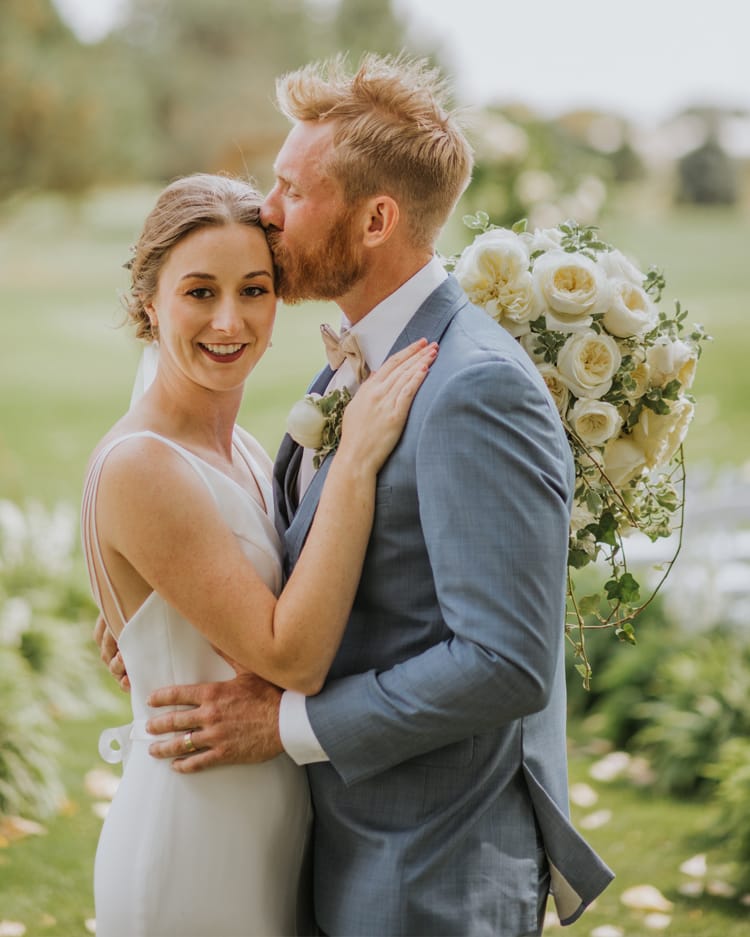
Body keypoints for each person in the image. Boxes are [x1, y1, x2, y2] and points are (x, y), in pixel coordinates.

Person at [100, 55, 615, 935]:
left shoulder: (472, 385)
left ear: (375, 218)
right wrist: (171, 620)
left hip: (428, 871)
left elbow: (507, 661)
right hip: (335, 849)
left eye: (293, 189)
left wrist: (286, 725)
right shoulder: (359, 360)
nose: (267, 208)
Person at [82, 171, 437, 937]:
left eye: (253, 288)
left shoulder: (240, 447)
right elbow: (293, 658)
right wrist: (354, 461)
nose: (230, 319)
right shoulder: (144, 463)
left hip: (268, 829)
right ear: (150, 301)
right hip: (194, 839)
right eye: (199, 292)